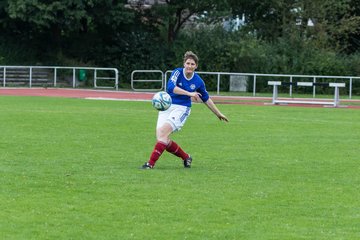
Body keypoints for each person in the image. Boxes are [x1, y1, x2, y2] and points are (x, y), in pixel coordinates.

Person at [141, 51, 228, 169]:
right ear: (184, 64)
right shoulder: (177, 72)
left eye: (192, 64)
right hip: (167, 106)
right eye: (188, 63)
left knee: (162, 135)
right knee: (162, 138)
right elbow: (171, 88)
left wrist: (218, 113)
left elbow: (206, 98)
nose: (190, 66)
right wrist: (189, 93)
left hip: (182, 108)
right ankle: (186, 157)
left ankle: (150, 164)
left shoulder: (198, 81)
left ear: (196, 66)